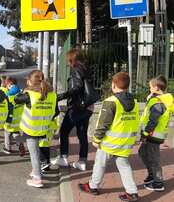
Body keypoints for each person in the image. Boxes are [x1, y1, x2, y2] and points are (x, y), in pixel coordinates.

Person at [79, 72, 139, 202]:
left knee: (100, 164)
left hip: (109, 143)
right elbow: (135, 121)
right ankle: (132, 192)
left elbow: (103, 124)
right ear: (128, 86)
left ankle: (92, 186)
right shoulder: (134, 101)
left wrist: (96, 139)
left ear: (113, 85)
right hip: (126, 142)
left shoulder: (110, 102)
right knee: (124, 166)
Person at [14, 70, 57, 188]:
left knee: (33, 153)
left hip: (31, 129)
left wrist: (27, 89)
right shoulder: (52, 94)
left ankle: (37, 178)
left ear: (30, 82)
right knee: (37, 151)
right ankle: (36, 170)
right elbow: (56, 111)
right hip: (44, 128)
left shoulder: (29, 95)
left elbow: (16, 99)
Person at [54, 48, 92, 171]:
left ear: (72, 59)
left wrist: (62, 96)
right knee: (82, 134)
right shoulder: (87, 69)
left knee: (64, 131)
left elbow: (76, 88)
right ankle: (82, 161)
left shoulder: (76, 70)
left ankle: (63, 158)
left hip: (77, 107)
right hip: (88, 106)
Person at [139, 75, 173, 192]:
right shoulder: (156, 100)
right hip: (151, 134)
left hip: (153, 135)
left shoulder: (158, 102)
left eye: (151, 87)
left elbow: (153, 120)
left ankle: (158, 182)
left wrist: (145, 133)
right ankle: (152, 174)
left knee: (154, 158)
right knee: (142, 152)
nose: (149, 89)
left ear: (157, 88)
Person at [3, 77, 25, 156]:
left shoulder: (8, 97)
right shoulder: (21, 94)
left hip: (10, 119)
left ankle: (7, 148)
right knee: (16, 132)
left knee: (7, 133)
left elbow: (6, 109)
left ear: (9, 84)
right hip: (19, 119)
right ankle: (20, 144)